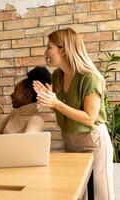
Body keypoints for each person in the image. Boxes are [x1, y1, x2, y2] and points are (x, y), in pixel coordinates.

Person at [33, 28, 114, 200]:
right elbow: (63, 108)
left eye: (49, 47)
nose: (45, 52)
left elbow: (89, 117)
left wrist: (57, 103)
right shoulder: (57, 76)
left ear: (63, 49)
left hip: (93, 142)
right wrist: (50, 101)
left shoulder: (89, 78)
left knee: (100, 194)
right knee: (78, 195)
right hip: (70, 141)